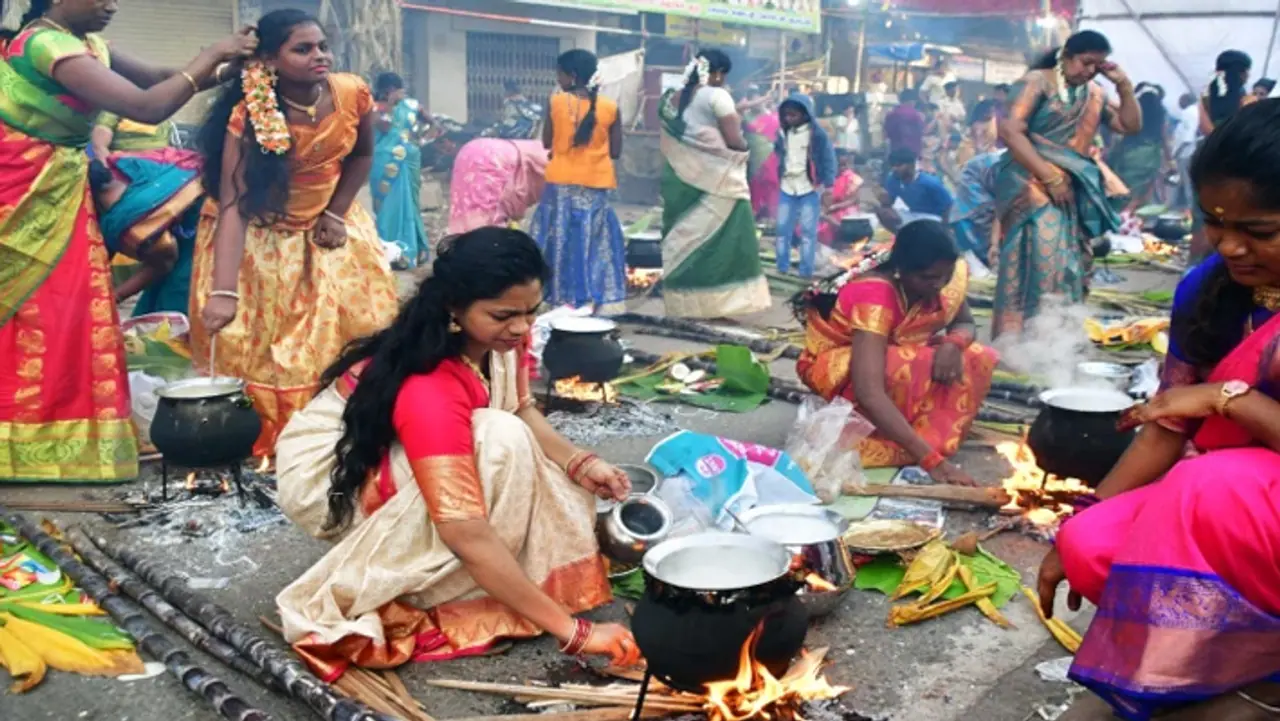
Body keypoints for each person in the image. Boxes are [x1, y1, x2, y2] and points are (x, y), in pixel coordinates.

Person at [274, 227, 641, 673]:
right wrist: (576, 633)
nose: (523, 327)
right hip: (333, 481)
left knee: (517, 444)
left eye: (531, 312)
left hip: (420, 444)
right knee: (499, 442)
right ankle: (433, 592)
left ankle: (485, 579)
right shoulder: (431, 385)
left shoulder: (501, 335)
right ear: (454, 308)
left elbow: (519, 406)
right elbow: (464, 532)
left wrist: (581, 462)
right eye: (505, 314)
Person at [1038, 100, 1280, 721]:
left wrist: (1231, 401)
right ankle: (1215, 666)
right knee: (1092, 544)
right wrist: (1076, 522)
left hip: (1241, 498)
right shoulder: (1208, 289)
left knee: (1209, 484)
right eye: (1213, 221)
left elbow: (1202, 416)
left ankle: (1264, 686)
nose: (1229, 245)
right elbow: (1166, 429)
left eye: (1259, 231)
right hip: (1238, 507)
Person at [0, 0, 254, 484]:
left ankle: (53, 442)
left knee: (67, 314)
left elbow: (162, 75)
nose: (111, 5)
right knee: (37, 313)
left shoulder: (89, 46)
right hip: (24, 192)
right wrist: (219, 47)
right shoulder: (45, 44)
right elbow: (146, 106)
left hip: (60, 189)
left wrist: (228, 68)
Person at [193, 9, 400, 459]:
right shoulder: (250, 115)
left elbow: (362, 158)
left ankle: (350, 429)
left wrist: (336, 214)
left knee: (356, 333)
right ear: (269, 59)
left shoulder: (351, 92)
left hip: (333, 224)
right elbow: (234, 205)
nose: (319, 56)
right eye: (302, 49)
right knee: (275, 349)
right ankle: (286, 446)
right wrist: (224, 292)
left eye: (322, 46)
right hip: (263, 241)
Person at [795, 220, 997, 484]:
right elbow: (869, 390)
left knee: (976, 357)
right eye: (928, 278)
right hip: (838, 367)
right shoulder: (876, 295)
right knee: (903, 364)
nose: (938, 285)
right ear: (902, 270)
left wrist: (953, 344)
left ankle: (926, 433)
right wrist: (932, 462)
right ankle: (889, 439)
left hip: (890, 355)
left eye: (944, 277)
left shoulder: (945, 273)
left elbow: (965, 322)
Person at [993, 30, 1141, 338]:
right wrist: (1049, 176)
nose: (1089, 71)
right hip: (1028, 183)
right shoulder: (1037, 82)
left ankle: (1057, 338)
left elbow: (1130, 125)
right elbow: (1010, 132)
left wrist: (1123, 85)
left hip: (1070, 186)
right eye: (1086, 63)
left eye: (1096, 66)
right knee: (1041, 259)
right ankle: (1024, 339)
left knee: (1072, 261)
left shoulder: (1094, 93)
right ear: (1066, 56)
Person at [657, 51, 770, 319]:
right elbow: (734, 140)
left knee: (684, 238)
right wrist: (746, 149)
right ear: (717, 73)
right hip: (719, 181)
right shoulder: (717, 95)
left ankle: (686, 305)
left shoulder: (673, 96)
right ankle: (718, 305)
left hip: (680, 181)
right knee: (727, 241)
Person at [530, 49, 626, 315]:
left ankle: (559, 297)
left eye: (559, 74)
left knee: (558, 239)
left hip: (560, 182)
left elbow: (547, 142)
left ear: (572, 75)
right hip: (596, 184)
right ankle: (588, 298)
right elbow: (615, 151)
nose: (558, 79)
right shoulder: (611, 107)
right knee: (591, 242)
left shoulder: (556, 102)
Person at [91, 149, 204, 316]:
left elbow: (163, 264)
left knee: (173, 310)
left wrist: (115, 297)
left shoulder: (132, 221)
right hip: (217, 188)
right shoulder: (121, 162)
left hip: (204, 242)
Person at [368, 72, 429, 269]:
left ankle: (413, 249)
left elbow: (434, 124)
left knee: (410, 203)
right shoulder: (374, 107)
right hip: (383, 160)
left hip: (409, 158)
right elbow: (384, 127)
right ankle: (389, 250)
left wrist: (420, 140)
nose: (400, 93)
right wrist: (391, 105)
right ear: (387, 90)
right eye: (395, 90)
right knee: (386, 206)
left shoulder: (412, 105)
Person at [774, 90, 837, 278]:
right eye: (786, 115)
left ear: (805, 114)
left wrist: (829, 185)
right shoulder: (783, 134)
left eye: (793, 114)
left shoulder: (817, 135)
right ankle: (782, 267)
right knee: (782, 229)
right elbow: (779, 154)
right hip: (787, 186)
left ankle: (806, 271)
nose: (789, 118)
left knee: (808, 232)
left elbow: (828, 159)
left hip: (810, 188)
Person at [447, 138, 548, 235]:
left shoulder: (542, 149)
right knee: (486, 231)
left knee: (465, 222)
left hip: (471, 151)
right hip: (495, 161)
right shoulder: (555, 161)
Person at [1106, 82, 1169, 212]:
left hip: (1128, 152)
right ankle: (1133, 219)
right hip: (1150, 154)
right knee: (1141, 193)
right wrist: (1170, 160)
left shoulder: (1133, 110)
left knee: (1122, 188)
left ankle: (1120, 218)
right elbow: (1164, 136)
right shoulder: (1161, 113)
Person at [950, 149, 1004, 271]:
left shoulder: (994, 160)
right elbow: (1002, 203)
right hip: (976, 214)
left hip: (963, 214)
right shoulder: (1000, 166)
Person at [880, 148, 954, 228]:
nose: (894, 168)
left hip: (933, 218)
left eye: (899, 165)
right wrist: (883, 201)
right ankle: (901, 236)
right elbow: (889, 202)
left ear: (912, 165)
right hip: (913, 215)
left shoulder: (930, 182)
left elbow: (948, 207)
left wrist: (945, 229)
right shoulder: (893, 179)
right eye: (893, 165)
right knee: (883, 213)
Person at [1200, 50, 1253, 135]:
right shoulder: (1245, 100)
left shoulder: (1206, 94)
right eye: (1246, 71)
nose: (1248, 75)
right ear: (1238, 73)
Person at [818, 150, 864, 247]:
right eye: (840, 165)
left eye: (845, 165)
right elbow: (822, 199)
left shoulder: (852, 178)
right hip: (827, 209)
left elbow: (853, 200)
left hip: (844, 208)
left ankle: (847, 240)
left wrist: (835, 207)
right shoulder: (824, 178)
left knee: (844, 216)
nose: (843, 168)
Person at [1170, 92, 1200, 211]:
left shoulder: (1188, 113)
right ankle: (1182, 206)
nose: (1179, 103)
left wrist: (1176, 152)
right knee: (1185, 181)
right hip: (1187, 151)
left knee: (1188, 183)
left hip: (1185, 153)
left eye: (1181, 100)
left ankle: (1190, 209)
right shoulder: (1194, 112)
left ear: (1186, 100)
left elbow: (1187, 137)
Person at [884, 88, 925, 157]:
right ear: (912, 101)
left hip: (896, 151)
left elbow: (887, 133)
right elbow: (922, 131)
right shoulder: (916, 115)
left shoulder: (890, 114)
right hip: (912, 151)